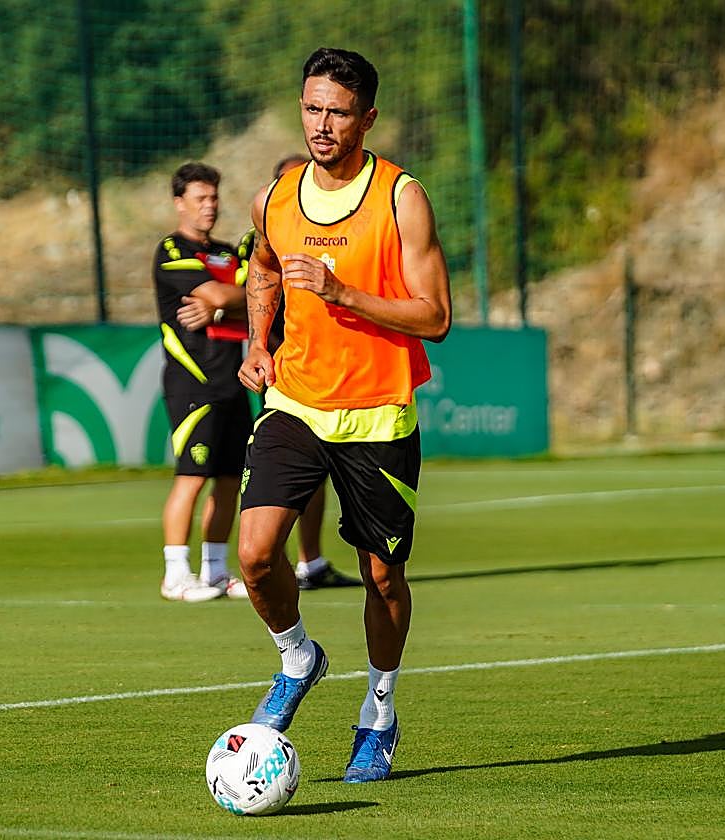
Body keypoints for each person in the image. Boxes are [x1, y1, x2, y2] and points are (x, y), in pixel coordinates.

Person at [235, 48, 452, 782]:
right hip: (295, 400)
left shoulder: (400, 198)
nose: (322, 125)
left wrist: (342, 292)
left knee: (382, 579)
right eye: (311, 109)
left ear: (367, 117)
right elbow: (264, 266)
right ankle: (299, 658)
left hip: (378, 415)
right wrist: (258, 343)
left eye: (336, 111)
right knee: (256, 554)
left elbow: (436, 316)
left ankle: (379, 712)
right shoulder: (278, 196)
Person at [179, 153, 362, 592]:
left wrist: (222, 301)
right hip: (283, 371)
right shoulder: (261, 235)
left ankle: (311, 562)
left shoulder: (347, 230)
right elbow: (254, 282)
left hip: (342, 367)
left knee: (321, 475)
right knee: (279, 470)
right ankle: (255, 565)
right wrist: (231, 301)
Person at [152, 161, 252, 602]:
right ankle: (175, 574)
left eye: (214, 197)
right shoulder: (172, 251)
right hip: (191, 383)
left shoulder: (228, 254)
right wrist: (229, 301)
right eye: (200, 199)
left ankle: (214, 570)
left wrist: (222, 309)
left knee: (230, 479)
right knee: (192, 476)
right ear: (180, 203)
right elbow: (220, 293)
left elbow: (263, 299)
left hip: (232, 382)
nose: (209, 206)